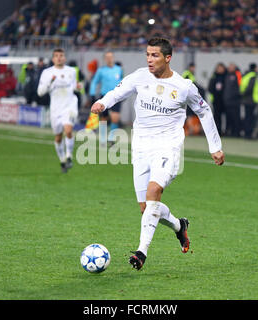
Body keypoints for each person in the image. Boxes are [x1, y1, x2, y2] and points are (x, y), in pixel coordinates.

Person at [91, 37, 224, 270]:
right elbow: (118, 92)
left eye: (155, 55)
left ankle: (141, 252)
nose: (149, 59)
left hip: (168, 147)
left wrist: (215, 146)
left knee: (154, 192)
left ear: (168, 58)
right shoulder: (140, 76)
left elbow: (204, 111)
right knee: (146, 208)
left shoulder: (183, 86)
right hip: (141, 147)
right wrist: (102, 103)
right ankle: (179, 226)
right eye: (147, 54)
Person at [37, 48, 79, 173]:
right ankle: (62, 160)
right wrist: (51, 81)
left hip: (70, 105)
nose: (59, 58)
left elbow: (74, 87)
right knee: (58, 137)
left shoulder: (71, 71)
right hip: (56, 108)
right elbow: (40, 92)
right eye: (56, 56)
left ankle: (69, 157)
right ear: (53, 59)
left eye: (61, 55)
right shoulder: (47, 73)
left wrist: (78, 87)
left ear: (64, 58)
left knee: (69, 130)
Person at [89, 50, 123, 145]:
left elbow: (122, 82)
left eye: (111, 57)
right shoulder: (101, 70)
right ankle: (103, 138)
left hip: (117, 96)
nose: (109, 59)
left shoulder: (119, 69)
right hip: (104, 96)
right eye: (107, 57)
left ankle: (111, 138)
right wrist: (92, 93)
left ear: (113, 58)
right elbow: (94, 82)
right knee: (104, 118)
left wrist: (124, 93)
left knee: (115, 118)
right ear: (105, 59)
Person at [240, 63, 258, 139]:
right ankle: (248, 134)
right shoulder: (252, 76)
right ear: (255, 68)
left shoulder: (246, 76)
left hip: (247, 100)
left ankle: (247, 133)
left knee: (247, 117)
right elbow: (250, 88)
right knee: (250, 118)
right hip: (251, 100)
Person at [223, 63, 242, 137]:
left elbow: (241, 86)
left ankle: (236, 132)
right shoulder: (227, 75)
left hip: (235, 101)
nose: (229, 68)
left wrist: (236, 95)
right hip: (227, 101)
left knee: (236, 117)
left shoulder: (238, 74)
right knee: (228, 118)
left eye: (231, 67)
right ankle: (229, 132)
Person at [208, 63, 227, 135]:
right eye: (218, 68)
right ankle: (217, 131)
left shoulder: (226, 76)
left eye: (221, 68)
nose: (219, 69)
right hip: (216, 100)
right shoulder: (214, 76)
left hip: (224, 100)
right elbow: (210, 87)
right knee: (216, 117)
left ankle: (225, 131)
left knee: (226, 117)